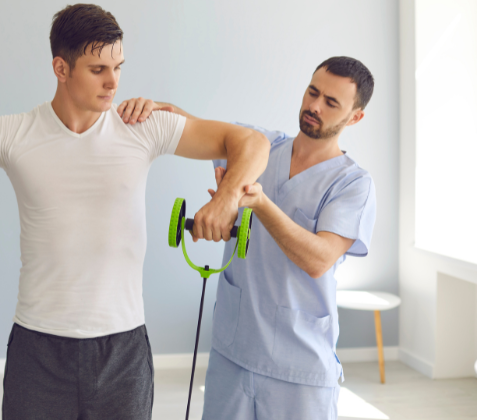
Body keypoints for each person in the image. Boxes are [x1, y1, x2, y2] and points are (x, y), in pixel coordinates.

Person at [0, 4, 270, 419]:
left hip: (123, 350)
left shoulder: (143, 125)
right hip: (38, 350)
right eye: (97, 69)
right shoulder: (13, 133)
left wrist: (226, 199)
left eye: (118, 67)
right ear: (61, 68)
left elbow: (250, 142)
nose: (113, 82)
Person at [123, 56, 376, 419]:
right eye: (312, 92)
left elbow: (319, 259)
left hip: (300, 368)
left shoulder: (353, 184)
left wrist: (257, 202)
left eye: (331, 102)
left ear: (355, 116)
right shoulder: (261, 147)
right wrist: (155, 109)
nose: (314, 106)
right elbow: (192, 127)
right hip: (234, 352)